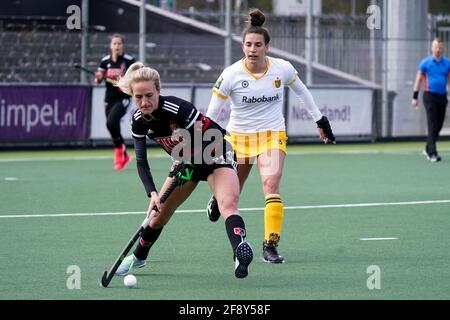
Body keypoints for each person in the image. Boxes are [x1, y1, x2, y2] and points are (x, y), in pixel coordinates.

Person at [205, 8, 336, 264]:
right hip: (238, 138)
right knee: (234, 192)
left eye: (257, 44)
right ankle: (216, 197)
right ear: (242, 46)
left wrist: (320, 120)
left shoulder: (281, 69)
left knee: (271, 183)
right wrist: (205, 140)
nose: (252, 49)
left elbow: (302, 92)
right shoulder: (230, 75)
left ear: (266, 47)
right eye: (248, 44)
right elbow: (211, 114)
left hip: (271, 135)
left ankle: (270, 246)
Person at [113, 62, 253, 279]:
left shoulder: (178, 109)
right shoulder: (138, 121)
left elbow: (209, 137)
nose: (144, 102)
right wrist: (152, 193)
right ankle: (138, 258)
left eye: (149, 95)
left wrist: (187, 157)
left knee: (228, 203)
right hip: (185, 163)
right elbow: (141, 161)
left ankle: (239, 252)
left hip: (215, 153)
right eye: (138, 97)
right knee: (159, 215)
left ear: (159, 91)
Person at [95, 34, 135, 170]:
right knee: (112, 126)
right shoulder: (105, 61)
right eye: (114, 44)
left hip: (123, 98)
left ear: (122, 45)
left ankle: (118, 153)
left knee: (111, 122)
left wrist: (122, 81)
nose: (117, 46)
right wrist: (99, 77)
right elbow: (98, 79)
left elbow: (135, 79)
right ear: (110, 46)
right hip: (109, 99)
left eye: (119, 44)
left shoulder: (129, 61)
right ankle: (124, 155)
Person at [412, 37, 450, 162]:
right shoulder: (425, 62)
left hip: (442, 97)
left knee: (438, 126)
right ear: (431, 48)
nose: (437, 50)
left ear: (443, 49)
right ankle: (432, 153)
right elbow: (418, 79)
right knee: (432, 124)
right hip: (429, 96)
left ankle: (428, 147)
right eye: (435, 47)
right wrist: (415, 97)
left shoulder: (447, 63)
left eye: (440, 47)